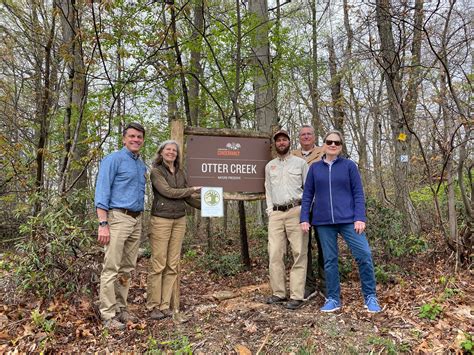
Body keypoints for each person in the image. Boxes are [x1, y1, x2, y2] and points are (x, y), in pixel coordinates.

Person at [300, 130, 381, 313]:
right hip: (323, 222)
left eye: (337, 142)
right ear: (324, 144)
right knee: (329, 260)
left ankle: (370, 297)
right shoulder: (315, 168)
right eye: (329, 141)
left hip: (349, 220)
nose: (333, 145)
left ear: (341, 146)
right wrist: (304, 218)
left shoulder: (349, 166)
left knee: (364, 255)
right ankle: (333, 298)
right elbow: (307, 196)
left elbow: (358, 193)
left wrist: (360, 217)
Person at [95, 122, 147, 330]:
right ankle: (107, 314)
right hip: (117, 217)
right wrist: (103, 223)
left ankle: (121, 308)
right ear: (124, 139)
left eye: (139, 137)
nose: (136, 140)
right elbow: (102, 192)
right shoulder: (113, 160)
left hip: (136, 219)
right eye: (132, 136)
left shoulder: (140, 164)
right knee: (111, 267)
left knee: (127, 268)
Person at [147, 140, 201, 320]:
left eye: (174, 150)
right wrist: (191, 189)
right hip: (161, 220)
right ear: (161, 152)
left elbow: (188, 198)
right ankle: (153, 306)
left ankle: (164, 305)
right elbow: (168, 192)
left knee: (172, 264)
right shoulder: (156, 172)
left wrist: (209, 207)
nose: (171, 152)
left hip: (179, 220)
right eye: (167, 150)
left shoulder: (180, 172)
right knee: (159, 264)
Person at [265, 129, 309, 310]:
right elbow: (267, 189)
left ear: (289, 142)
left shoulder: (300, 163)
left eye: (284, 140)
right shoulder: (270, 166)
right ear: (275, 144)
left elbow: (309, 189)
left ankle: (297, 295)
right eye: (278, 141)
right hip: (276, 213)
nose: (281, 143)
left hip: (296, 211)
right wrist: (270, 210)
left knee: (299, 253)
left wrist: (305, 213)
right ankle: (279, 293)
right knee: (275, 253)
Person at [292, 124, 325, 300]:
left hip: (321, 205)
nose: (306, 137)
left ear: (314, 136)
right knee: (303, 247)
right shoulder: (292, 155)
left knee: (324, 245)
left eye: (309, 134)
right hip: (301, 207)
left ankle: (326, 284)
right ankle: (309, 285)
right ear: (299, 138)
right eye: (303, 134)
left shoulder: (324, 152)